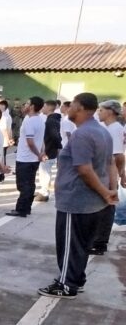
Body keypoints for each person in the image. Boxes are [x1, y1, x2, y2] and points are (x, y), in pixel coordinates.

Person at [39, 93, 118, 299]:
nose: (68, 108)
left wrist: (106, 192)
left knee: (69, 244)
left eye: (72, 104)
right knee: (81, 244)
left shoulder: (82, 134)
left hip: (77, 200)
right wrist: (110, 190)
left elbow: (84, 169)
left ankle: (66, 284)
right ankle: (76, 278)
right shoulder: (102, 132)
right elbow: (110, 163)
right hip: (92, 202)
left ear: (81, 108)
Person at [87, 99, 126, 255]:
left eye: (101, 110)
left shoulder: (115, 129)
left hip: (108, 175)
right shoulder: (106, 127)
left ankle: (100, 242)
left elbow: (117, 156)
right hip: (102, 173)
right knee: (99, 207)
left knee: (106, 208)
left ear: (110, 111)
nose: (99, 113)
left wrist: (116, 178)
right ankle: (96, 239)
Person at [7, 96, 44, 217]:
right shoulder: (39, 120)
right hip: (31, 158)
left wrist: (39, 154)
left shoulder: (30, 121)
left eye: (27, 103)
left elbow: (30, 142)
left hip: (26, 158)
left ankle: (22, 209)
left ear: (32, 106)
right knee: (29, 183)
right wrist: (40, 152)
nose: (24, 105)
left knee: (23, 185)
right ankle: (26, 207)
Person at [35, 100, 63, 203]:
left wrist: (49, 149)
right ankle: (43, 191)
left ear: (48, 107)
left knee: (44, 172)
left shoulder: (51, 121)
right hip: (50, 150)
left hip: (48, 151)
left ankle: (44, 193)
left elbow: (55, 136)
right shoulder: (54, 119)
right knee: (45, 171)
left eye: (44, 106)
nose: (42, 108)